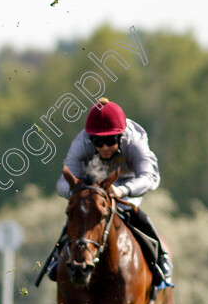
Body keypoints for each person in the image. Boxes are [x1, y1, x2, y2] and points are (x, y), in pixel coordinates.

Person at [43, 97, 173, 287]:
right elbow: (64, 181)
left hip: (128, 187)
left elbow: (150, 177)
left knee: (135, 215)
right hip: (95, 187)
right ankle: (57, 257)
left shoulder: (135, 143)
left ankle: (161, 258)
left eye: (110, 141)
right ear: (90, 138)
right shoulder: (82, 143)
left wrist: (122, 190)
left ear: (120, 136)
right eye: (98, 141)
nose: (104, 147)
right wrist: (78, 193)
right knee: (78, 215)